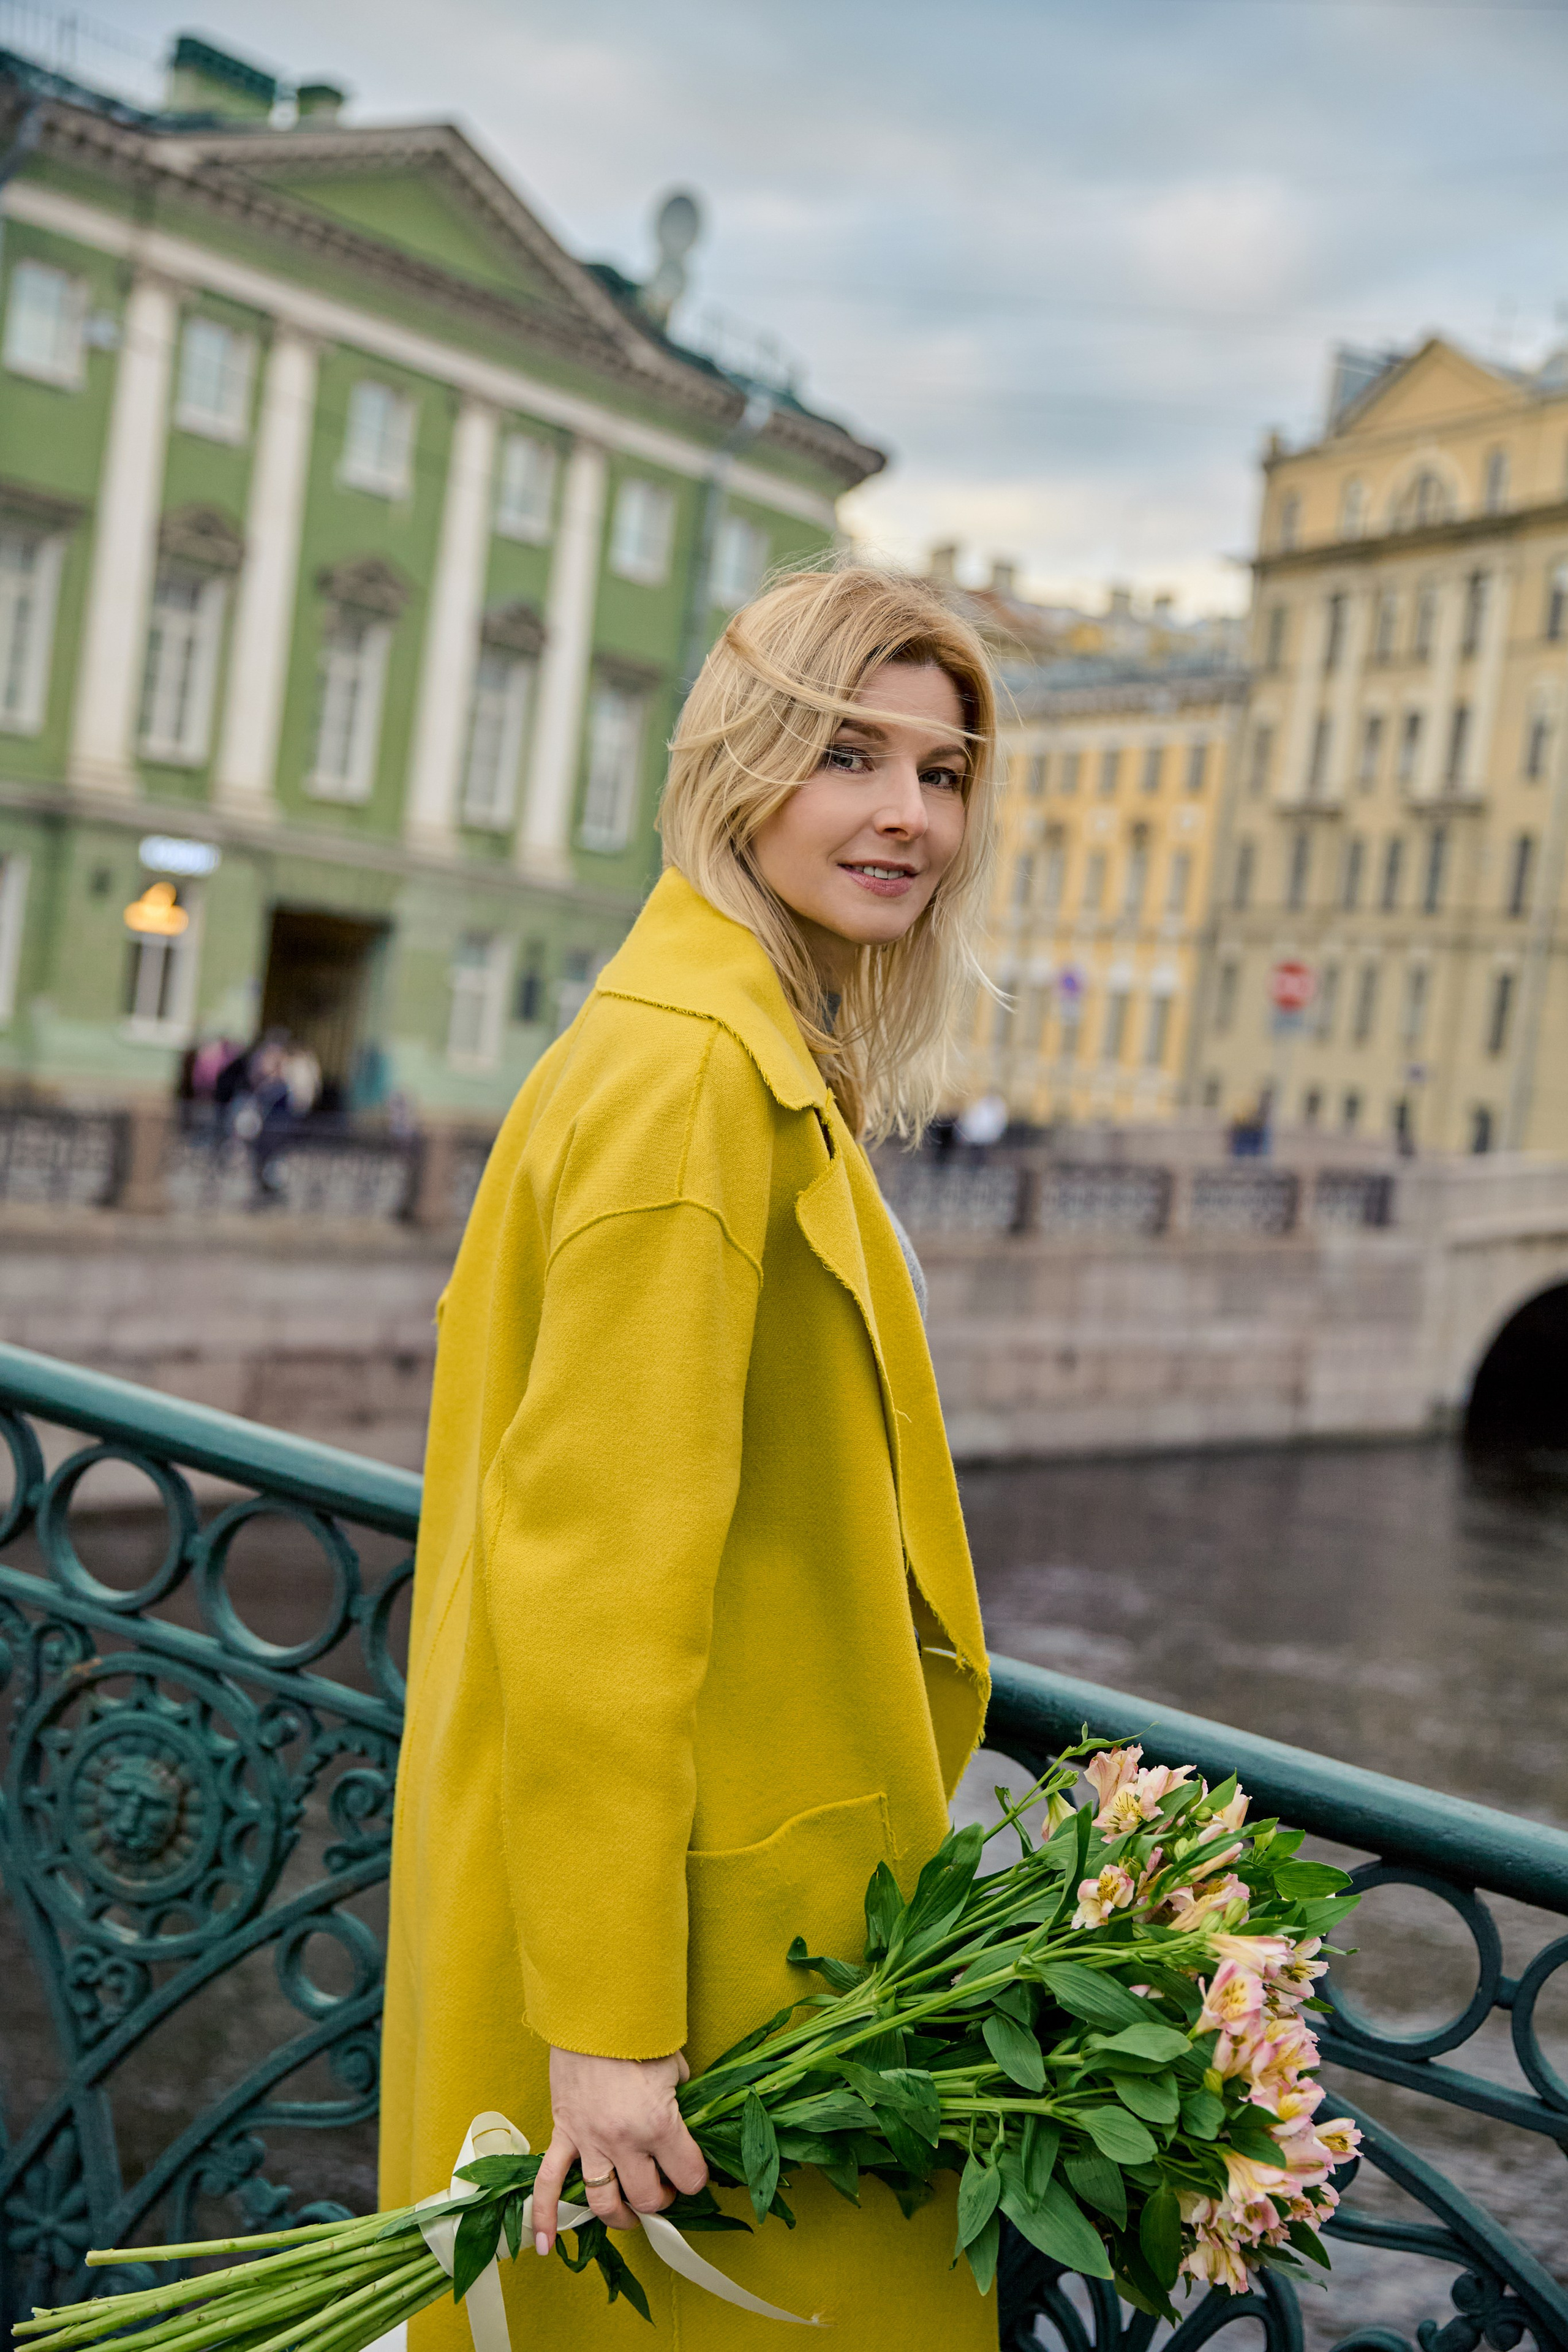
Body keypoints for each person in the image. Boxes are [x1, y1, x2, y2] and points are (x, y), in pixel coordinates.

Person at [380, 567, 1001, 2350]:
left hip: (700, 1915)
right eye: (848, 755)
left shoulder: (696, 1040)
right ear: (740, 765)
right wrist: (606, 2029)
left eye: (943, 772)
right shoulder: (695, 1086)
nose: (908, 815)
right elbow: (597, 1584)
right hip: (698, 1981)